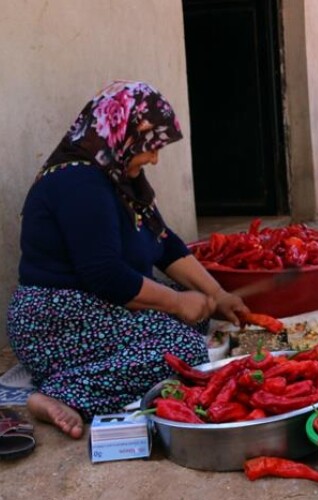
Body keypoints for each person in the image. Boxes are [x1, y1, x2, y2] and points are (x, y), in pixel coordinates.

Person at [7, 81, 249, 438]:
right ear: (121, 136)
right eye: (149, 149)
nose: (153, 159)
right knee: (184, 349)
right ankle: (59, 393)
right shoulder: (80, 183)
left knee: (198, 319)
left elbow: (165, 245)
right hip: (55, 318)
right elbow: (105, 275)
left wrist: (217, 294)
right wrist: (178, 301)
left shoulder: (119, 178)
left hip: (99, 305)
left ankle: (80, 373)